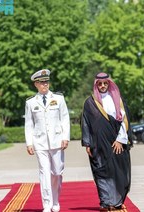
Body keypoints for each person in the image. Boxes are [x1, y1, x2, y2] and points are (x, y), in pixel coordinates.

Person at [81, 72, 132, 211]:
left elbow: (124, 122)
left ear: (109, 84)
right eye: (100, 84)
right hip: (98, 144)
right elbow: (85, 123)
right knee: (101, 172)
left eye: (105, 83)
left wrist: (120, 140)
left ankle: (116, 202)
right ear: (96, 85)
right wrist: (87, 143)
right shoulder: (90, 102)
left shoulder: (118, 100)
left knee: (118, 172)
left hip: (116, 143)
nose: (103, 86)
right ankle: (105, 202)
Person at [24, 69, 70, 212]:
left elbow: (65, 118)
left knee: (57, 172)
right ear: (36, 84)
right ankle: (47, 204)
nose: (45, 84)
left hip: (57, 141)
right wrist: (29, 143)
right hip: (40, 142)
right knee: (44, 172)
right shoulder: (31, 102)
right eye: (42, 82)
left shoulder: (59, 98)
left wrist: (65, 137)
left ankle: (56, 200)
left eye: (47, 81)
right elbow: (29, 124)